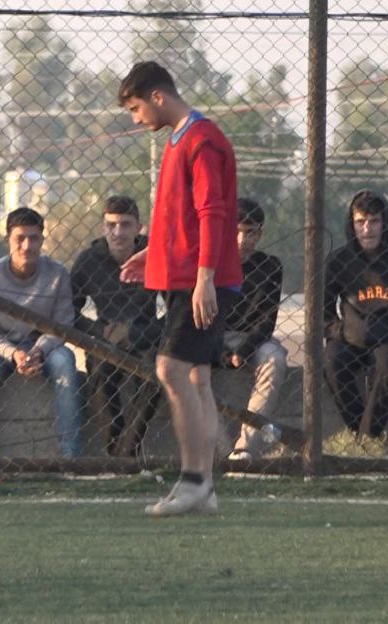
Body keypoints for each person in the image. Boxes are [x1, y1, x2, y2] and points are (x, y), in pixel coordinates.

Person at [118, 61, 242, 517]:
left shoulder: (202, 139)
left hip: (199, 281)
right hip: (185, 277)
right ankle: (202, 486)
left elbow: (212, 213)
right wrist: (152, 253)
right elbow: (180, 218)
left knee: (170, 368)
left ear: (157, 97)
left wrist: (205, 278)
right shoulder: (178, 139)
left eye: (136, 108)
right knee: (195, 377)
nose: (136, 119)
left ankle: (193, 481)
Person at [0, 207, 84, 459]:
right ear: (8, 239)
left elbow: (63, 324)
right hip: (1, 347)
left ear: (42, 240)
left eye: (34, 238)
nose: (27, 246)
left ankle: (70, 458)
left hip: (45, 346)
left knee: (66, 363)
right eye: (19, 238)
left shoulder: (58, 273)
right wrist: (13, 353)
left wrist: (38, 350)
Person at [70, 195, 162, 457]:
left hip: (145, 335)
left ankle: (128, 450)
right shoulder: (89, 260)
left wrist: (150, 330)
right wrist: (97, 330)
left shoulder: (155, 255)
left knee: (154, 375)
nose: (118, 232)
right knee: (100, 374)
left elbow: (177, 306)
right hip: (106, 335)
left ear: (139, 228)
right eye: (111, 225)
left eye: (125, 224)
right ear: (103, 227)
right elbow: (68, 309)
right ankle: (115, 450)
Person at [324, 190, 388, 440]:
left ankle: (369, 438)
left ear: (384, 223)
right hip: (350, 339)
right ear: (352, 224)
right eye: (360, 222)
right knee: (331, 361)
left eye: (374, 221)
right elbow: (323, 310)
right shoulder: (339, 260)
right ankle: (360, 432)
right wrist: (339, 331)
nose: (367, 229)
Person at [220, 198, 288, 462]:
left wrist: (245, 350)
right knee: (188, 364)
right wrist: (224, 353)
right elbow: (204, 318)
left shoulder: (270, 266)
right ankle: (218, 450)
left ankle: (245, 447)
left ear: (260, 234)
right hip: (215, 337)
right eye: (236, 232)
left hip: (254, 338)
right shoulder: (212, 263)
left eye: (250, 233)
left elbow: (267, 320)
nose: (242, 240)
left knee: (275, 358)